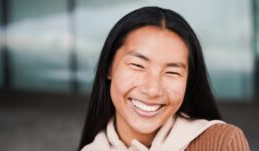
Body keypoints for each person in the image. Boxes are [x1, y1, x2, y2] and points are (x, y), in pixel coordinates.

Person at [78, 6, 250, 151]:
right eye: (138, 65)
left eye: (172, 72)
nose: (152, 89)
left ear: (188, 80)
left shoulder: (221, 143)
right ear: (108, 68)